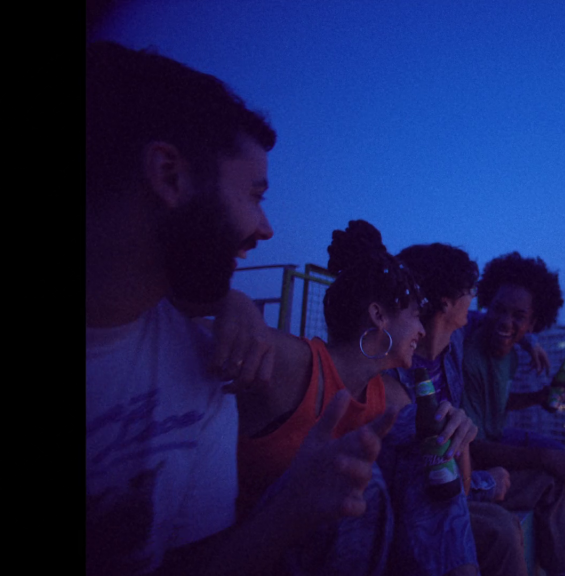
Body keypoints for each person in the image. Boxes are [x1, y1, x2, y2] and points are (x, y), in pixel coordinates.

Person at [86, 42, 396, 576]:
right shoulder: (237, 359)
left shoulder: (204, 369)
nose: (266, 228)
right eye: (255, 195)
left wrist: (291, 508)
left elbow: (193, 563)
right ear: (170, 176)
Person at [223, 221, 481, 576]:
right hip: (252, 551)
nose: (422, 330)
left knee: (417, 451)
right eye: (415, 317)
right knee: (357, 477)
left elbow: (448, 494)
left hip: (341, 550)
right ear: (378, 316)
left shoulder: (392, 397)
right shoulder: (294, 365)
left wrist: (456, 435)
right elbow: (199, 337)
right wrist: (231, 300)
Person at [381, 243, 529, 576]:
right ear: (446, 303)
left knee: (548, 479)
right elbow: (423, 478)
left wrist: (530, 341)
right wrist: (484, 483)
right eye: (469, 291)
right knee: (503, 531)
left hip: (459, 474)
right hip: (417, 501)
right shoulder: (393, 372)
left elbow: (488, 320)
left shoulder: (455, 340)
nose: (474, 298)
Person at [462, 252, 565, 576]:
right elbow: (473, 448)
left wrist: (539, 398)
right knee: (555, 463)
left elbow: (495, 402)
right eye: (499, 309)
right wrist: (543, 458)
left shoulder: (510, 356)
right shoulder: (470, 355)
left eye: (518, 316)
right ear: (487, 305)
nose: (505, 322)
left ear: (532, 324)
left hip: (493, 444)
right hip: (475, 465)